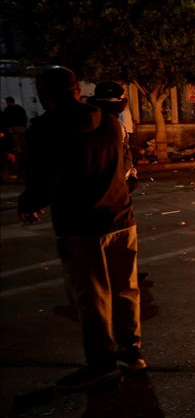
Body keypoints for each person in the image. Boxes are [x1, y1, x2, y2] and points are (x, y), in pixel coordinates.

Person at [18, 66, 144, 393]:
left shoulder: (45, 129)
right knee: (125, 289)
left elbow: (42, 181)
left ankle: (101, 365)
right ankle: (131, 354)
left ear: (45, 95)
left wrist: (29, 204)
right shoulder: (111, 124)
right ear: (77, 90)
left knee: (92, 299)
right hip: (121, 219)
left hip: (81, 227)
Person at [87, 82, 138, 193]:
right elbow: (116, 157)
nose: (125, 100)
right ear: (113, 100)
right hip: (112, 190)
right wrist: (128, 178)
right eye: (123, 97)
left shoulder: (93, 118)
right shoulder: (111, 125)